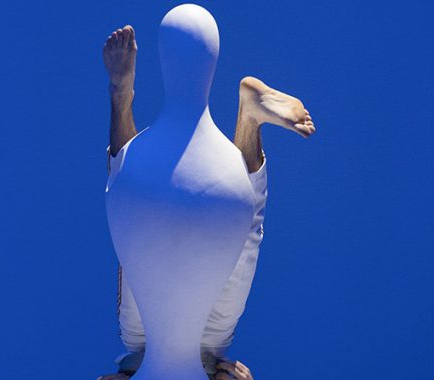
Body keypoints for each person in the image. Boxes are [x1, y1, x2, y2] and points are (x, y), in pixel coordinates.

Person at [98, 23, 315, 380]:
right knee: (238, 226)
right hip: (212, 350)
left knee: (140, 220)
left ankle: (121, 93)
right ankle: (250, 116)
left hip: (143, 344)